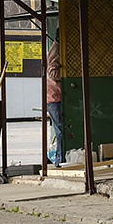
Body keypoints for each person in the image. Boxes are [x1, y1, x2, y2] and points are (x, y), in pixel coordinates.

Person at [46, 33, 63, 166]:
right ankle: (60, 159)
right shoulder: (56, 51)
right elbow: (52, 73)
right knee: (60, 130)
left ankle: (61, 158)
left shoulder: (58, 49)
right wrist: (67, 73)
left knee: (61, 129)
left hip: (56, 96)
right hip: (54, 96)